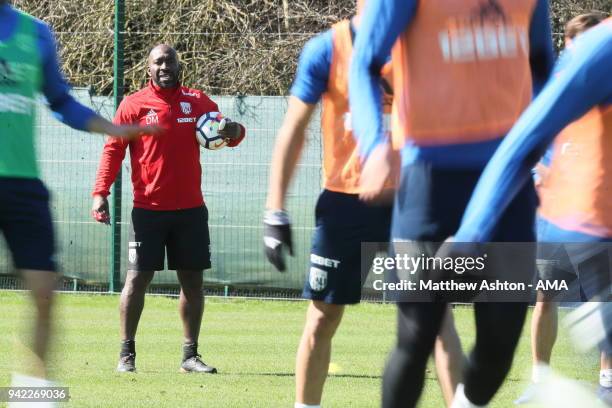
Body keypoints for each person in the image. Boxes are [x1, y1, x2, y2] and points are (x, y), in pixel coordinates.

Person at [349, 0, 555, 407]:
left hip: (508, 183)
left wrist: (546, 154)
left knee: (500, 343)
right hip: (428, 182)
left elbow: (544, 65)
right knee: (416, 334)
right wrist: (373, 146)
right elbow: (364, 64)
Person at [263, 1, 463, 407]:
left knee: (436, 319)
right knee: (322, 317)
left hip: (414, 204)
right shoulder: (328, 48)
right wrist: (274, 209)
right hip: (345, 204)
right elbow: (294, 128)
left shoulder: (428, 43)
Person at [0, 0, 157, 400]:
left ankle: (32, 393)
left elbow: (61, 102)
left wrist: (113, 128)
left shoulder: (34, 33)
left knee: (44, 290)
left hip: (21, 184)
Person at [453, 16, 612, 405]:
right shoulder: (598, 54)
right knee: (543, 301)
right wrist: (470, 236)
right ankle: (544, 377)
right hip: (579, 224)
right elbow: (520, 145)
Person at [91, 44, 245, 374]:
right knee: (137, 278)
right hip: (147, 211)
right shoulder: (132, 105)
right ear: (148, 69)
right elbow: (113, 151)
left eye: (169, 60)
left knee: (192, 282)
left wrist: (235, 131)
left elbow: (226, 129)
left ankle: (190, 356)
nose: (164, 66)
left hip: (190, 211)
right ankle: (126, 354)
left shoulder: (198, 101)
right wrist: (100, 192)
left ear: (178, 65)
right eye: (158, 61)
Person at [514, 12, 608, 406]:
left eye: (582, 44)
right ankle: (540, 378)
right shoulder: (551, 92)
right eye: (570, 44)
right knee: (544, 297)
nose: (574, 52)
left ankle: (606, 381)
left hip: (598, 218)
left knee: (603, 304)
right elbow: (530, 146)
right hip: (555, 215)